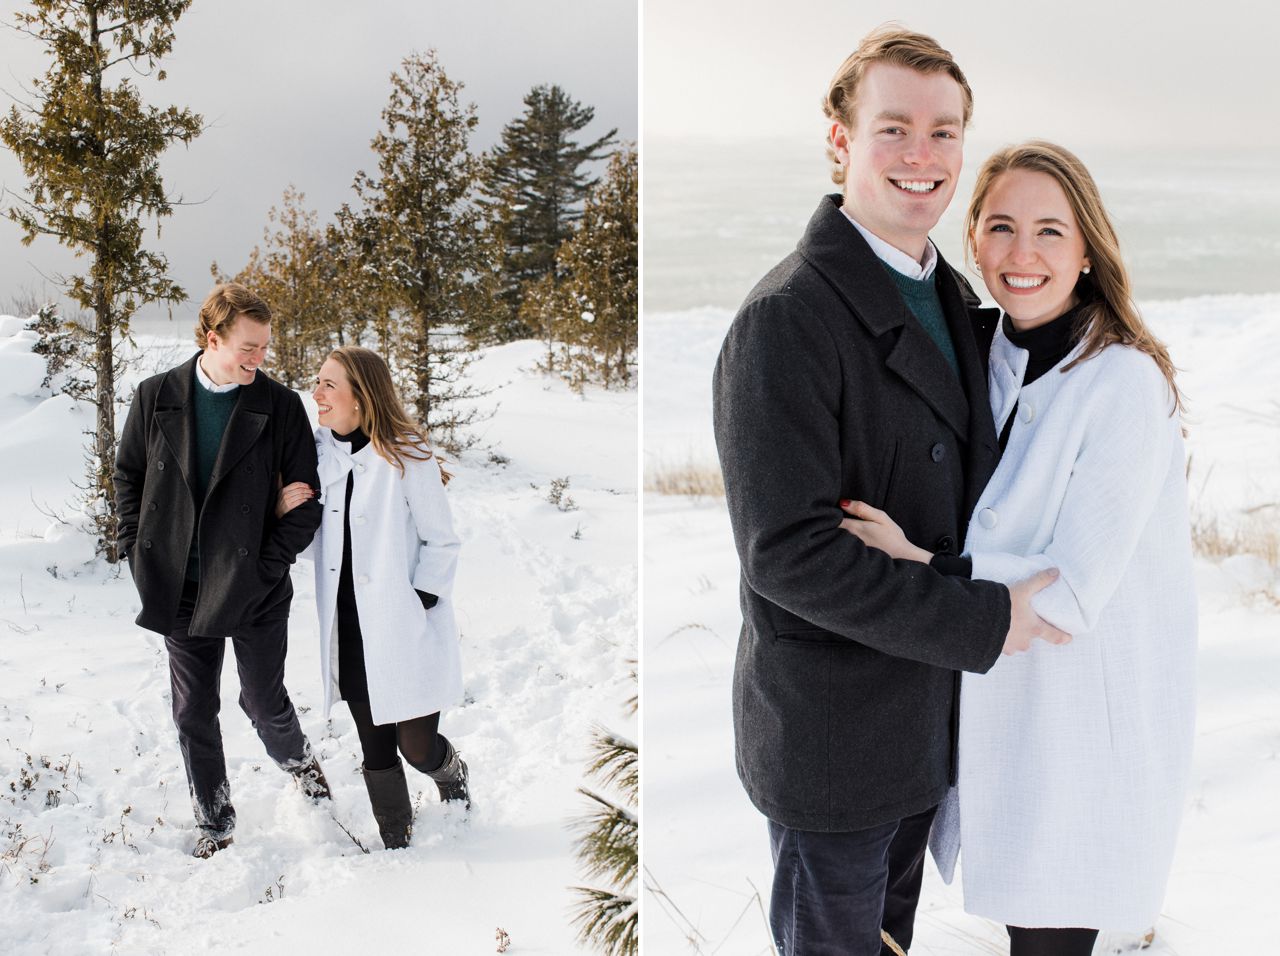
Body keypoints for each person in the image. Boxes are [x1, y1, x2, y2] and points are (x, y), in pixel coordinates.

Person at [712, 27, 1070, 956]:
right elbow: (789, 553)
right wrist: (984, 620)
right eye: (895, 128)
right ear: (839, 139)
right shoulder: (785, 320)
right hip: (833, 745)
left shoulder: (947, 296)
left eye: (946, 132)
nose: (924, 156)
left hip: (921, 733)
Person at [840, 141, 1197, 956]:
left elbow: (1070, 592)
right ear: (972, 239)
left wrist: (921, 564)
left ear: (1086, 252)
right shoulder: (981, 356)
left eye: (1049, 231)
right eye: (1001, 227)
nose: (1022, 254)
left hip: (1083, 733)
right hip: (995, 717)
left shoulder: (1124, 384)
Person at [114, 282, 329, 860]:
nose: (260, 359)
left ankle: (301, 766)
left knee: (262, 700)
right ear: (213, 338)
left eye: (265, 348)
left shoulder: (280, 407)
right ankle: (214, 817)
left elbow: (305, 500)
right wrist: (138, 550)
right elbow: (128, 479)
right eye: (248, 347)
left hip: (254, 585)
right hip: (178, 586)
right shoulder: (155, 395)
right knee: (192, 709)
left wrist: (268, 562)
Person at [276, 346, 469, 851]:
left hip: (403, 625)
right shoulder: (317, 457)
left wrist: (420, 598)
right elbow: (312, 541)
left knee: (416, 746)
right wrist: (283, 510)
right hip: (349, 627)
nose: (316, 394)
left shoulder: (406, 455)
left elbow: (441, 539)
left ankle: (451, 774)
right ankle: (397, 845)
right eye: (316, 383)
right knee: (375, 745)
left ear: (361, 397)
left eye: (329, 386)